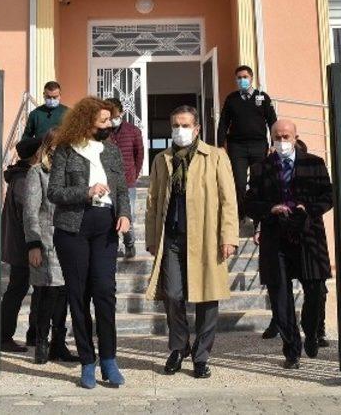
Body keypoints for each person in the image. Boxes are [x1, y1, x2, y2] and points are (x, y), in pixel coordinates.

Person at [146, 105, 239, 379]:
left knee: (207, 297)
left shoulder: (216, 157)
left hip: (206, 237)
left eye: (185, 125)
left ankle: (201, 356)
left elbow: (229, 200)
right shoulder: (162, 159)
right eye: (176, 125)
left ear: (197, 128)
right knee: (172, 294)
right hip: (172, 237)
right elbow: (152, 201)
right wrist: (152, 237)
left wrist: (229, 236)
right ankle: (179, 347)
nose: (180, 130)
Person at [46, 97, 131, 389]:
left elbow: (121, 188)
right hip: (73, 228)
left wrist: (124, 214)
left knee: (105, 291)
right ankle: (87, 361)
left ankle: (109, 359)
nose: (109, 125)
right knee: (78, 294)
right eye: (103, 121)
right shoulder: (66, 150)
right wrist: (86, 191)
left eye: (110, 120)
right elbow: (54, 192)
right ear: (86, 122)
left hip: (105, 225)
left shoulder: (112, 150)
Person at [244, 119, 333, 369]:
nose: (282, 141)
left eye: (286, 136)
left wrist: (308, 208)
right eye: (277, 136)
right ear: (271, 138)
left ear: (295, 138)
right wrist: (270, 209)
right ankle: (292, 350)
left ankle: (311, 330)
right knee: (280, 296)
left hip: (308, 236)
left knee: (316, 290)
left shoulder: (314, 163)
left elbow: (328, 195)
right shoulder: (260, 168)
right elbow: (249, 203)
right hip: (275, 238)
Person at [22, 133, 77, 365]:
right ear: (48, 147)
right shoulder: (37, 172)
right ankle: (41, 342)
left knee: (64, 292)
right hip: (45, 241)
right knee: (47, 292)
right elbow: (30, 211)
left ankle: (58, 343)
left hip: (68, 240)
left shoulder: (71, 173)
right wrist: (33, 244)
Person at [216, 65, 276, 224]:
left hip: (259, 146)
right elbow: (223, 123)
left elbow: (272, 121)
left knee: (258, 181)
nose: (242, 80)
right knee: (239, 183)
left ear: (251, 78)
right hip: (237, 147)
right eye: (239, 78)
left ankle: (257, 218)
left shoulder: (262, 97)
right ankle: (241, 215)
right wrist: (221, 145)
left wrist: (274, 144)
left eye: (245, 77)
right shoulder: (231, 99)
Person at [0, 136, 43, 353]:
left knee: (31, 290)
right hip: (24, 246)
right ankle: (4, 336)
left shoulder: (20, 176)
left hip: (22, 244)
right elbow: (29, 212)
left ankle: (32, 335)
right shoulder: (24, 179)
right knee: (18, 290)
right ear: (35, 154)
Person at [105, 97, 145, 259]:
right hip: (106, 182)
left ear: (121, 113)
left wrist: (134, 174)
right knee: (109, 217)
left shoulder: (133, 131)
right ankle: (112, 247)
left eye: (115, 116)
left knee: (128, 216)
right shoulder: (102, 132)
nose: (112, 120)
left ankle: (129, 244)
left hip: (127, 181)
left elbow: (139, 155)